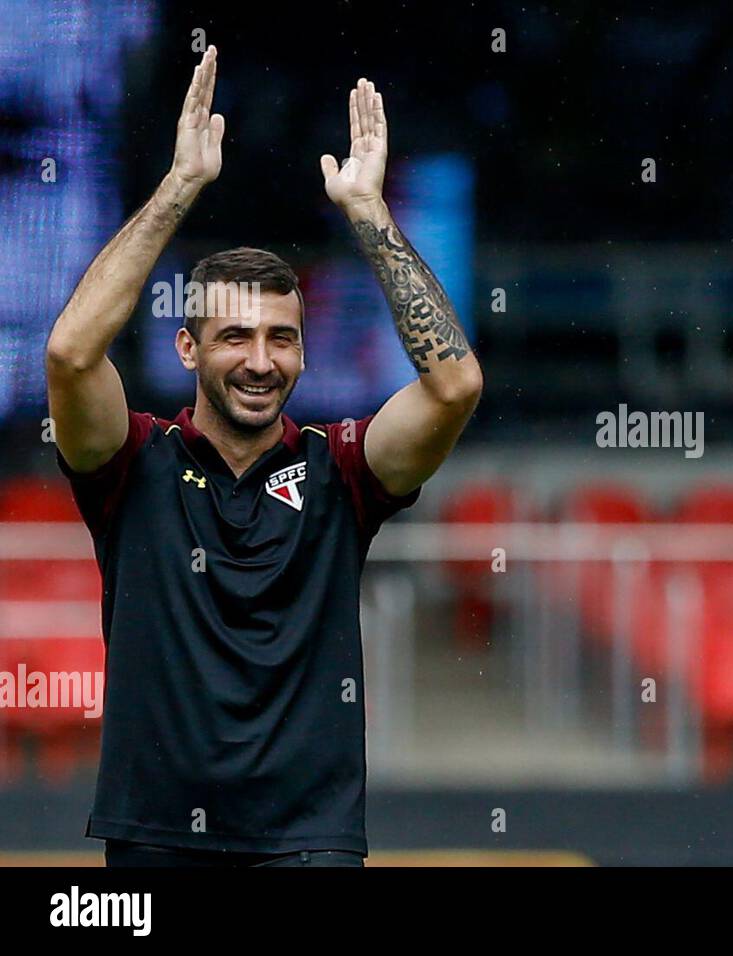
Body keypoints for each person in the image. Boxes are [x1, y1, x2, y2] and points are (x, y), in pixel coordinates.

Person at [45, 47, 482, 866]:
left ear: (304, 354)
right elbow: (70, 354)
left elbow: (454, 386)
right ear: (187, 347)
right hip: (156, 842)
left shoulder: (343, 470)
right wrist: (180, 186)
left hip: (309, 845)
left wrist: (367, 214)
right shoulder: (132, 463)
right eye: (234, 336)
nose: (259, 358)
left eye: (282, 337)